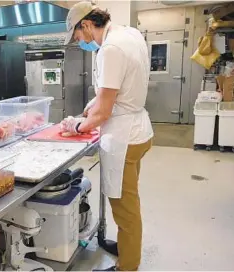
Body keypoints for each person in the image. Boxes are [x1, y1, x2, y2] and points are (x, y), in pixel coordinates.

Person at [61, 2, 154, 271]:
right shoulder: (129, 35)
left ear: (87, 25)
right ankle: (126, 246)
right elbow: (118, 88)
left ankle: (127, 265)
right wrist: (94, 103)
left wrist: (76, 126)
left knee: (125, 209)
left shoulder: (110, 49)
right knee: (129, 199)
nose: (79, 42)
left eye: (77, 35)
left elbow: (102, 115)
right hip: (139, 131)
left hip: (124, 137)